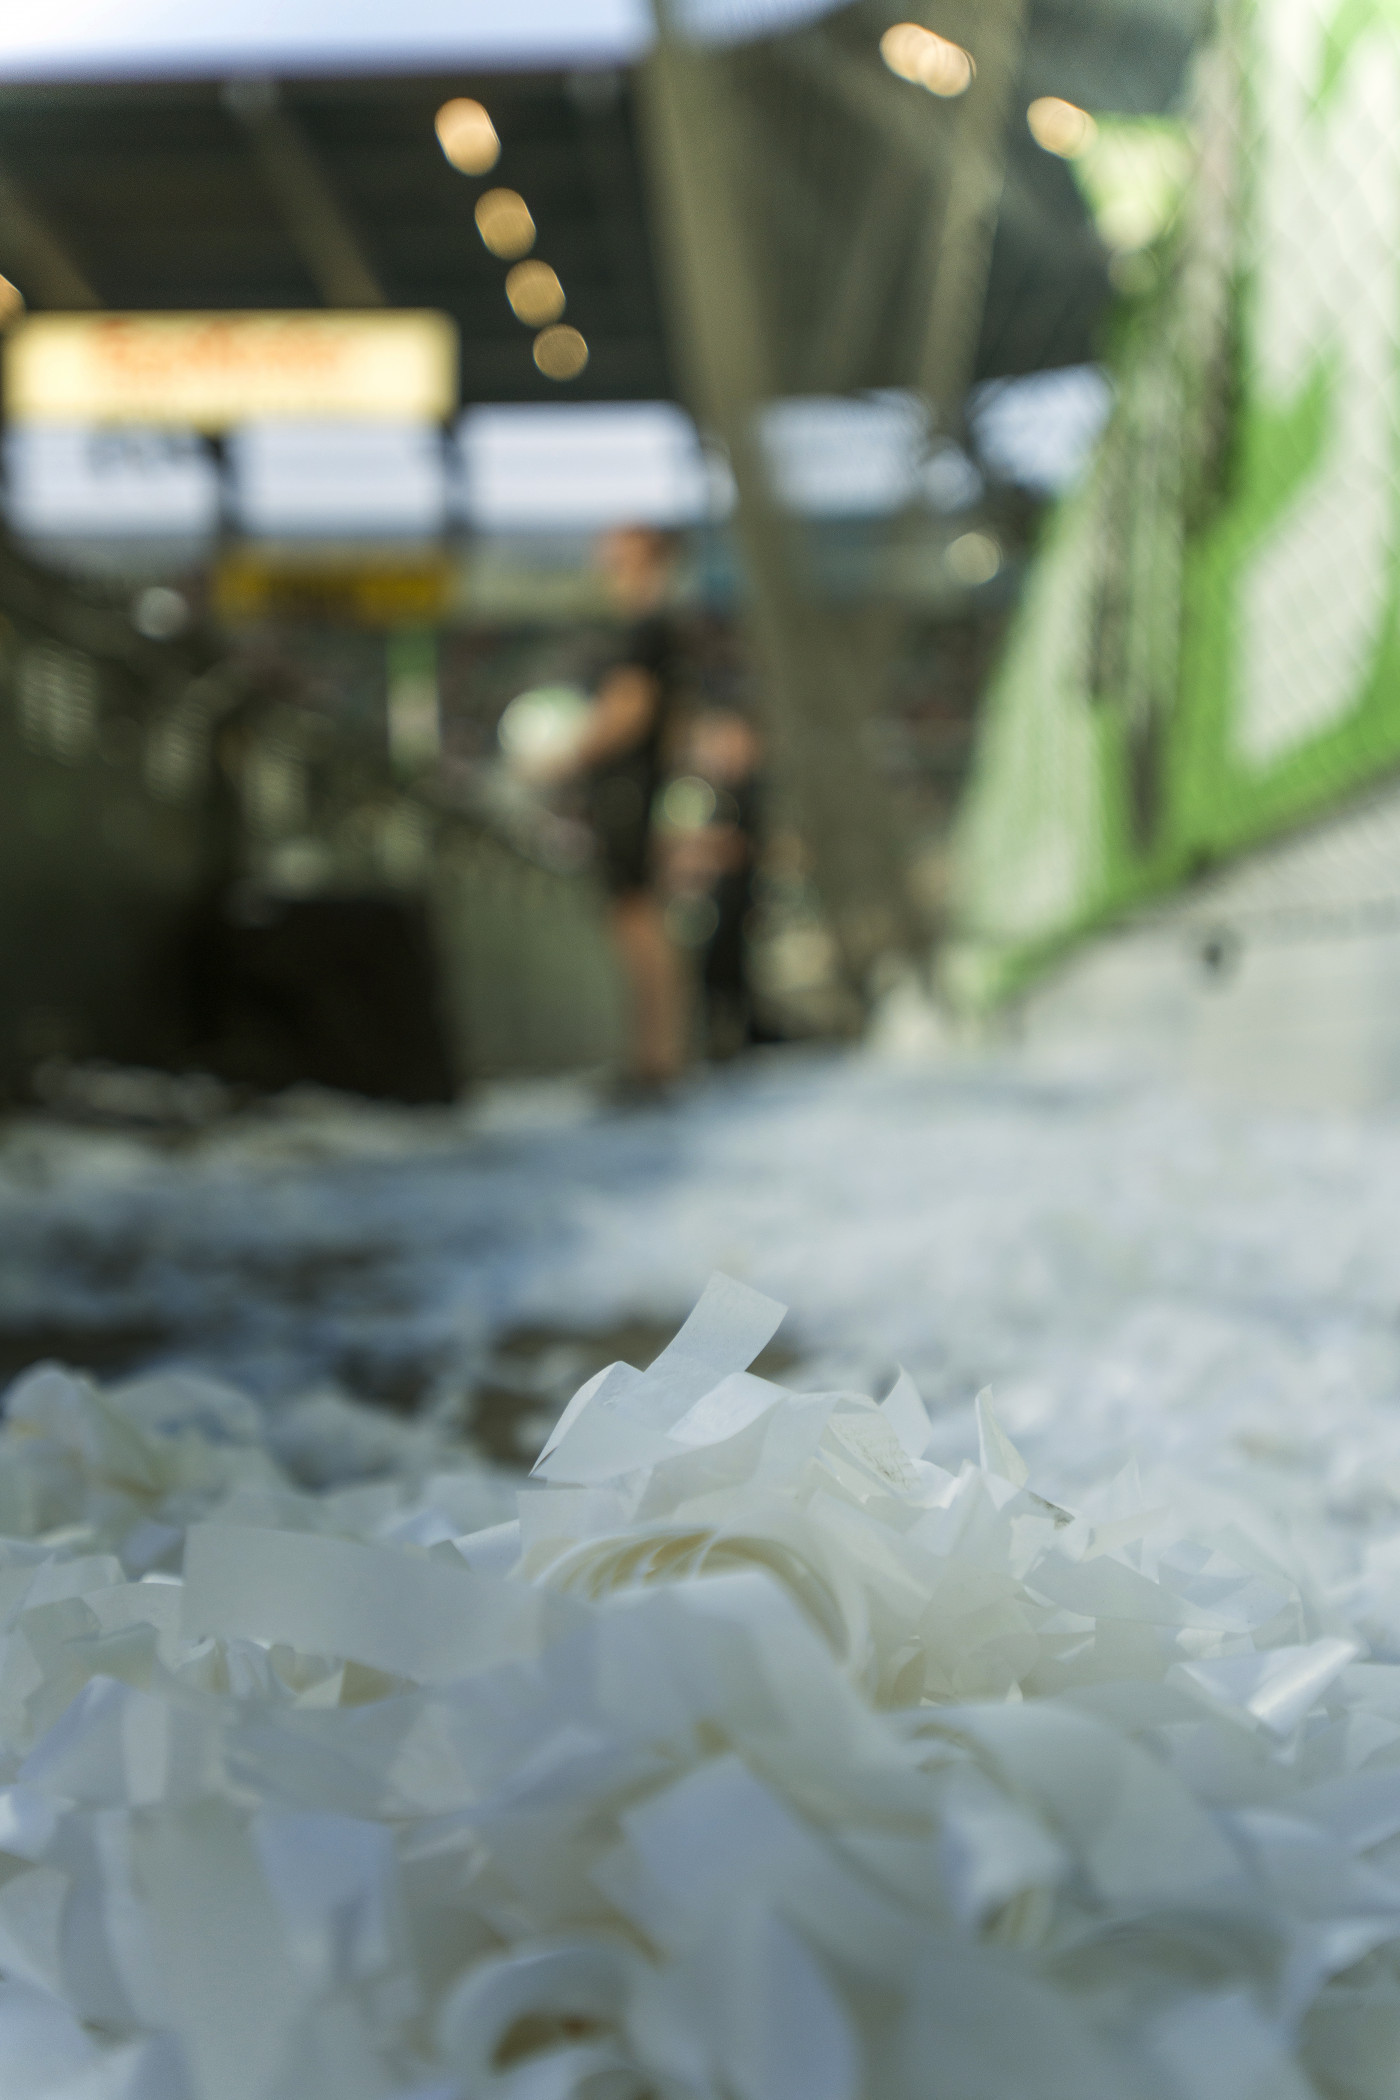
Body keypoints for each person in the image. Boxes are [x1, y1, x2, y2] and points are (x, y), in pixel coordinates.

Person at [562, 525, 689, 1093]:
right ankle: (658, 1056)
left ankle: (655, 1060)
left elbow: (629, 713)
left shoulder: (647, 629)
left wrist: (564, 753)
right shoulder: (654, 629)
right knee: (641, 921)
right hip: (641, 787)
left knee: (636, 921)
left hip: (629, 789)